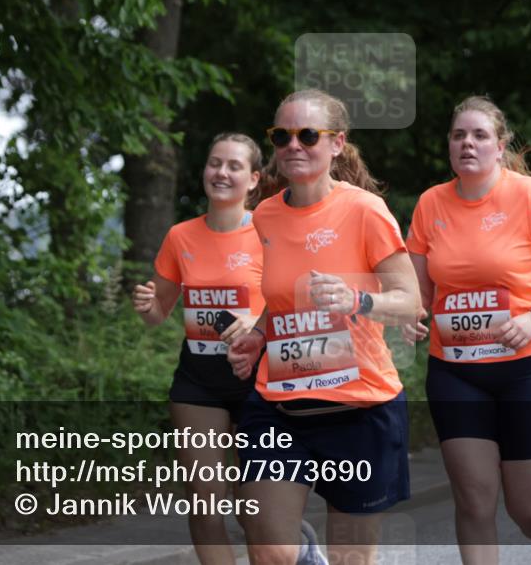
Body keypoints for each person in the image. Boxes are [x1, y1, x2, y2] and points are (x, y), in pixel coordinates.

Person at [226, 88, 422, 565]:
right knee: (270, 549)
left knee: (351, 558)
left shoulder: (365, 210)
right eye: (281, 136)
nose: (293, 145)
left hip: (360, 407)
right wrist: (258, 335)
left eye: (308, 135)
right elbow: (281, 299)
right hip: (279, 405)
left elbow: (410, 301)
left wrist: (357, 299)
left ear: (337, 143)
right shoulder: (266, 215)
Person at [403, 96, 531, 565]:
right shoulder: (431, 204)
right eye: (458, 135)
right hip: (456, 371)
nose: (467, 143)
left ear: (500, 144)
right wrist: (409, 313)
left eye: (479, 135)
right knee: (473, 499)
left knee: (529, 509)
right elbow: (418, 293)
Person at [132, 132, 264, 565]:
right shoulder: (181, 237)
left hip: (258, 379)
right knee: (205, 502)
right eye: (214, 163)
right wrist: (148, 306)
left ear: (254, 180)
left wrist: (258, 323)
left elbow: (294, 300)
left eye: (233, 166)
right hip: (198, 380)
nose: (221, 172)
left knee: (256, 511)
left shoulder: (270, 233)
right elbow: (160, 311)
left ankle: (295, 548)